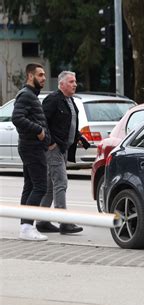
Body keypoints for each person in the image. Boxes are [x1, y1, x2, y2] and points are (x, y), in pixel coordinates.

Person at [37, 71, 89, 234]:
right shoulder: (53, 100)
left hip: (64, 148)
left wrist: (79, 137)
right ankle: (64, 223)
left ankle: (42, 221)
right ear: (61, 84)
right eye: (71, 81)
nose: (75, 84)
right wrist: (50, 142)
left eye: (75, 81)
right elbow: (42, 122)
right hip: (54, 149)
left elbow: (68, 124)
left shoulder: (70, 101)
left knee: (51, 186)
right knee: (61, 183)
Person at [12, 63, 50, 241]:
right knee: (41, 186)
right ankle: (27, 227)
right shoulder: (26, 95)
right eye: (40, 75)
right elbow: (17, 118)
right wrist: (39, 131)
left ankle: (25, 227)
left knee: (30, 187)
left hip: (31, 147)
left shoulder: (30, 95)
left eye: (44, 75)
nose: (43, 78)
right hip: (31, 147)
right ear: (30, 76)